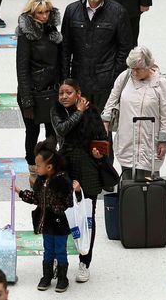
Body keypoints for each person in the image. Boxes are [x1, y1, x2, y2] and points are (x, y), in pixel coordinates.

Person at [51, 78, 108, 284]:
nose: (64, 97)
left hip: (88, 169)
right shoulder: (56, 110)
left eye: (68, 92)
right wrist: (79, 112)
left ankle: (85, 262)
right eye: (61, 93)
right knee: (61, 215)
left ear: (78, 93)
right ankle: (60, 259)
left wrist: (100, 154)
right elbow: (62, 130)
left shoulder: (92, 112)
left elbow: (103, 137)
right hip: (65, 167)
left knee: (87, 218)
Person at [61, 0, 132, 113]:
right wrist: (65, 79)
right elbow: (65, 48)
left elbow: (125, 48)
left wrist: (115, 76)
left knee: (103, 127)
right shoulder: (71, 11)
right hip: (79, 80)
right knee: (79, 125)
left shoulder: (118, 12)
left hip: (105, 82)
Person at [101, 46, 166, 180]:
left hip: (150, 139)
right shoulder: (125, 77)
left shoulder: (161, 83)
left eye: (137, 69)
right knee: (128, 179)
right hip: (127, 137)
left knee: (149, 181)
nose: (134, 72)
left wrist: (163, 140)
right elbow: (111, 100)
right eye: (131, 68)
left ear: (148, 66)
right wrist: (105, 120)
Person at [15, 138, 72, 292]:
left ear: (49, 166)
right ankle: (46, 276)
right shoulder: (40, 181)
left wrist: (54, 205)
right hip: (45, 222)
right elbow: (35, 198)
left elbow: (68, 201)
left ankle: (62, 277)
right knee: (48, 249)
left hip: (59, 223)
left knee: (60, 249)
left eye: (38, 165)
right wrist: (21, 192)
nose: (36, 168)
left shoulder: (61, 181)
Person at [15, 0, 61, 186]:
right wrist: (27, 100)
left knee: (52, 133)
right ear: (32, 14)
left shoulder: (54, 33)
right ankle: (34, 170)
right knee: (31, 133)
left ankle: (49, 168)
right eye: (40, 13)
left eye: (47, 12)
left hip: (52, 92)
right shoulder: (26, 36)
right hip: (32, 93)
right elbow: (22, 69)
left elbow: (60, 62)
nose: (44, 16)